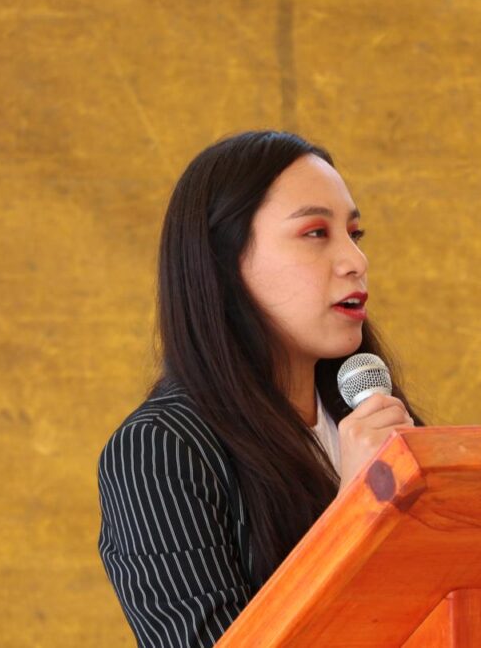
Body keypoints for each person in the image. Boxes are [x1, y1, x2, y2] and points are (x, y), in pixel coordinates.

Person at [97, 130, 426, 647]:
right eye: (315, 233)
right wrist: (354, 512)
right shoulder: (160, 450)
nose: (355, 261)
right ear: (226, 262)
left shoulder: (371, 416)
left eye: (354, 234)